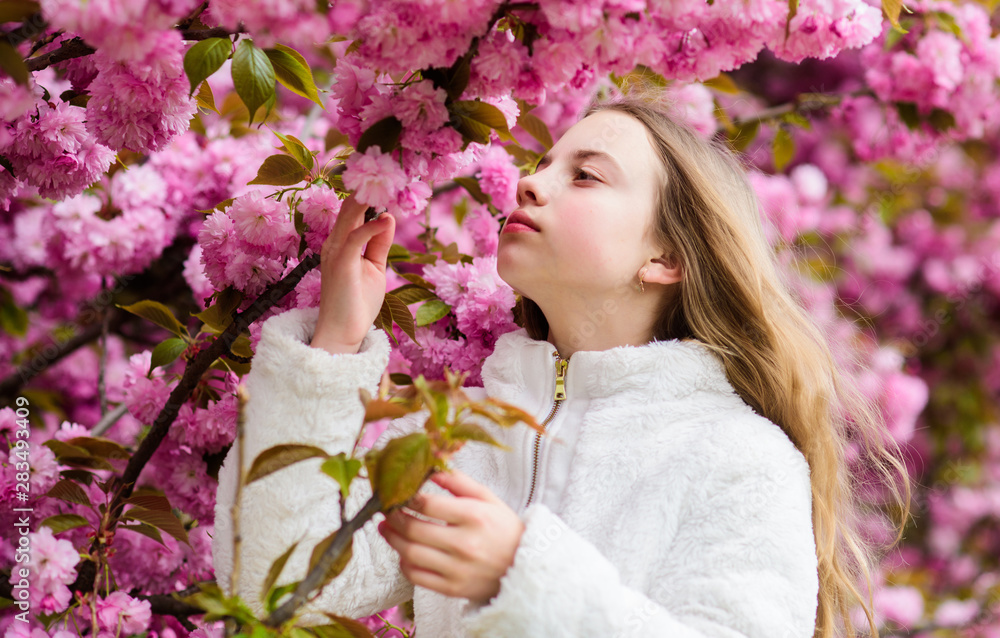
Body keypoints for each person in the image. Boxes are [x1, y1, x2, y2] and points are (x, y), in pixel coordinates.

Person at [213, 96, 910, 638]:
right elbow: (272, 588)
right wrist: (333, 343)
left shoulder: (740, 459)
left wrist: (521, 577)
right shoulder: (462, 436)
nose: (529, 183)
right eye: (544, 163)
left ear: (664, 258)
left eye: (585, 176)